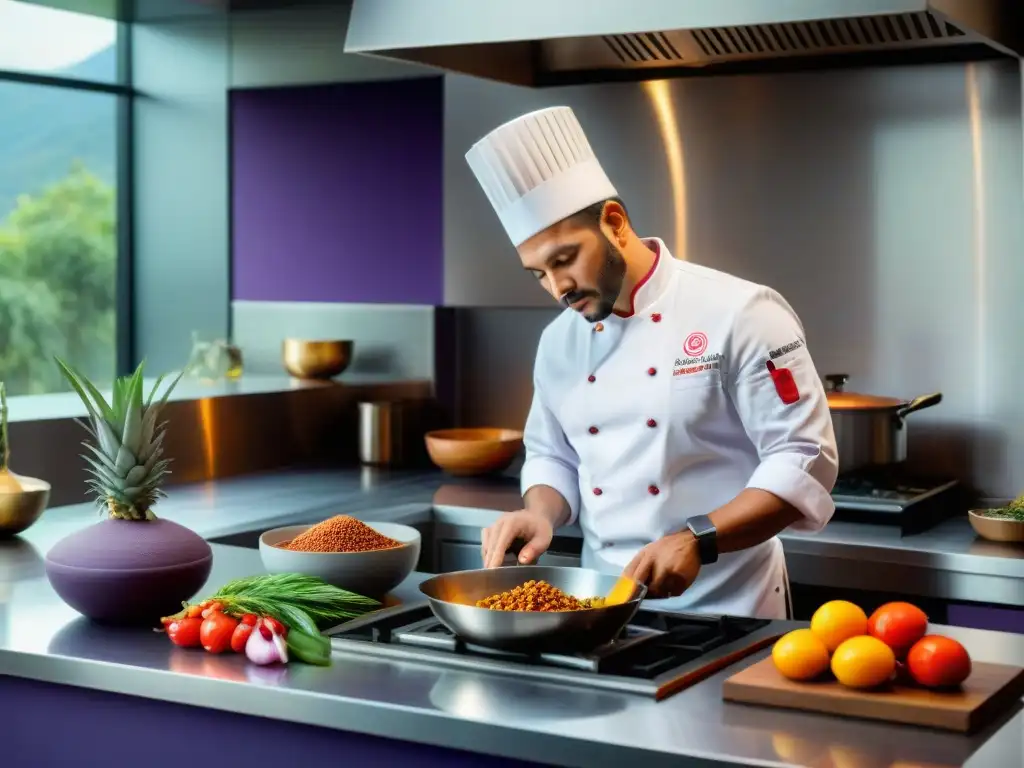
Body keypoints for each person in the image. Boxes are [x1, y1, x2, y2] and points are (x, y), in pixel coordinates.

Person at [465, 106, 839, 620]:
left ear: (615, 224)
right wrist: (539, 514)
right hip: (602, 610)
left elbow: (804, 458)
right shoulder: (558, 343)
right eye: (538, 274)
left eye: (564, 259)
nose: (558, 288)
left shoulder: (742, 313)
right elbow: (553, 457)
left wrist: (698, 539)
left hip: (732, 608)